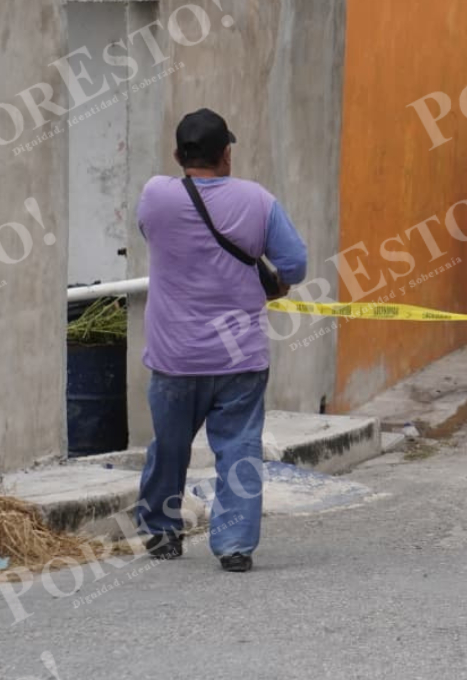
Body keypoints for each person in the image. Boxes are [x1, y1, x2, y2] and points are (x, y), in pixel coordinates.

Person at [135, 108, 308, 573]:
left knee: (169, 445)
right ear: (226, 154)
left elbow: (149, 232)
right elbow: (294, 265)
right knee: (239, 448)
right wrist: (275, 281)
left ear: (177, 154)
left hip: (175, 355)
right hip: (240, 357)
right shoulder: (257, 200)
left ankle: (160, 531)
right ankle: (234, 544)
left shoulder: (155, 195)